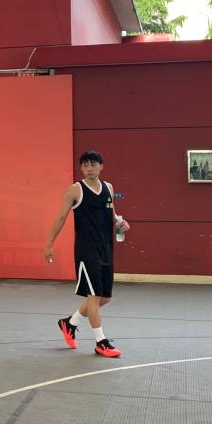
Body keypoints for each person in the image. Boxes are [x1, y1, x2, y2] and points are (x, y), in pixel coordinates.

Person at [45, 150, 129, 358]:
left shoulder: (109, 188)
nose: (89, 168)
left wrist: (120, 223)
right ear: (81, 168)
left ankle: (70, 323)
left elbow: (112, 215)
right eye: (85, 165)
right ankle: (101, 342)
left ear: (101, 166)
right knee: (93, 297)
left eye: (93, 164)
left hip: (105, 249)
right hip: (86, 250)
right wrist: (49, 244)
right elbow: (60, 218)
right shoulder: (75, 190)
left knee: (105, 298)